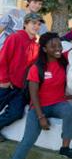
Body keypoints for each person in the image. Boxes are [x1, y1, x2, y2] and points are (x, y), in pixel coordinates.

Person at [11, 33, 72, 159]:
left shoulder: (63, 61)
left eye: (59, 45)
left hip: (58, 103)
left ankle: (65, 148)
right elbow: (34, 94)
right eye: (53, 46)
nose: (58, 48)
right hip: (39, 106)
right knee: (28, 139)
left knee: (70, 112)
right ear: (44, 49)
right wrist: (41, 117)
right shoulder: (36, 68)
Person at [0, 13, 44, 142]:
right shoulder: (15, 37)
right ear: (25, 24)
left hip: (21, 88)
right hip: (6, 84)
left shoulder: (37, 44)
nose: (36, 26)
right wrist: (4, 80)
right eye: (33, 23)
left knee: (16, 113)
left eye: (38, 24)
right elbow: (2, 60)